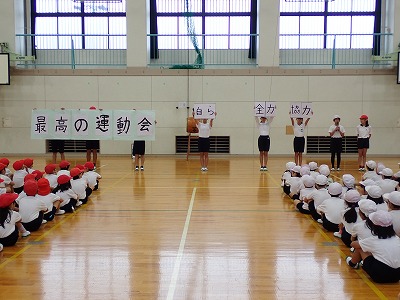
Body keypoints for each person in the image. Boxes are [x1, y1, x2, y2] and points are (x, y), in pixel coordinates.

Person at [347, 210, 400, 283]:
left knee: (360, 248)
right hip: (397, 276)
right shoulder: (397, 239)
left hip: (380, 276)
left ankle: (352, 263)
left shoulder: (373, 240)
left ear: (373, 227)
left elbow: (353, 244)